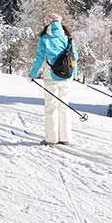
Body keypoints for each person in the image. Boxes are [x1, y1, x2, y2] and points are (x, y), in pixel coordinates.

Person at [29, 13, 77, 146]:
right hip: (67, 77)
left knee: (51, 107)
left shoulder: (45, 38)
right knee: (64, 106)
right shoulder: (67, 37)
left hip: (51, 76)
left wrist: (33, 74)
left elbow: (40, 58)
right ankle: (65, 137)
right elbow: (75, 57)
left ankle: (51, 139)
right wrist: (74, 74)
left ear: (49, 23)